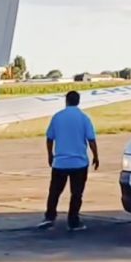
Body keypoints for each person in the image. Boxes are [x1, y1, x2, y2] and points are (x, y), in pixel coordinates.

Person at [39, 91, 99, 231]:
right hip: (79, 163)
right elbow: (91, 140)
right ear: (78, 101)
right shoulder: (84, 118)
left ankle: (49, 217)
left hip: (60, 162)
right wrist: (96, 156)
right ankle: (73, 220)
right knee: (76, 194)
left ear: (66, 101)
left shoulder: (57, 117)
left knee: (54, 192)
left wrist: (50, 154)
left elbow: (49, 138)